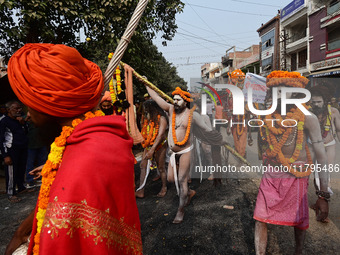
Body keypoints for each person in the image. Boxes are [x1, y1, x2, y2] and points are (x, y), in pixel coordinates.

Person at [5, 44, 142, 255]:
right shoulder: (95, 137)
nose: (28, 115)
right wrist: (21, 231)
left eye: (30, 105)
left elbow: (61, 242)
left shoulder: (85, 160)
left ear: (48, 105)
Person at [254, 71, 329, 255]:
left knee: (299, 219)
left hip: (297, 175)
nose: (278, 96)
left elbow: (322, 157)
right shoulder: (267, 117)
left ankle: (299, 251)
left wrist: (323, 195)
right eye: (275, 91)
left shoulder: (308, 118)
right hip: (272, 174)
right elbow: (262, 147)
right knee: (260, 217)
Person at [145, 86, 212, 223]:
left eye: (178, 100)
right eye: (174, 99)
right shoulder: (170, 110)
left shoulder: (192, 115)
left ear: (185, 101)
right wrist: (145, 84)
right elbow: (157, 98)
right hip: (172, 152)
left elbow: (206, 128)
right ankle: (189, 192)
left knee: (182, 180)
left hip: (186, 151)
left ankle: (180, 211)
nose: (175, 102)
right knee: (170, 179)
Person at [309, 85, 340, 213]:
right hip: (312, 145)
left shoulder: (333, 112)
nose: (316, 104)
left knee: (324, 175)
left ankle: (323, 205)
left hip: (329, 145)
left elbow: (338, 129)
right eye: (313, 102)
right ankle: (320, 201)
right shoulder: (309, 112)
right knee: (315, 177)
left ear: (325, 100)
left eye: (319, 102)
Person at [135, 100, 168, 198]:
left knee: (161, 167)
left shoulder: (162, 118)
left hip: (159, 146)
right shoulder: (148, 119)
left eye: (146, 108)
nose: (145, 110)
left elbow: (160, 135)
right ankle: (140, 190)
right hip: (148, 145)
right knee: (142, 166)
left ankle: (164, 187)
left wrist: (152, 150)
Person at [0, 100, 28, 202]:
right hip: (11, 150)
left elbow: (25, 132)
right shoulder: (4, 121)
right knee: (11, 172)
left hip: (22, 148)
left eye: (20, 108)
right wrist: (5, 155)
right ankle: (11, 193)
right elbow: (1, 139)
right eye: (16, 108)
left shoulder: (18, 120)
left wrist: (23, 123)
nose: (19, 110)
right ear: (8, 110)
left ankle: (21, 188)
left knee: (21, 169)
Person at [227, 69, 252, 160]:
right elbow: (229, 114)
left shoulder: (246, 97)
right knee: (236, 142)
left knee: (242, 143)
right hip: (234, 123)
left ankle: (241, 156)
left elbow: (249, 113)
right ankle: (240, 155)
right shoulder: (230, 96)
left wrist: (250, 133)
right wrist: (228, 126)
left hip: (243, 123)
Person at [25, 114, 48, 188]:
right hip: (31, 145)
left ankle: (41, 178)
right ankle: (30, 180)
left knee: (42, 162)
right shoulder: (26, 121)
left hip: (42, 143)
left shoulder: (40, 120)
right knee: (30, 163)